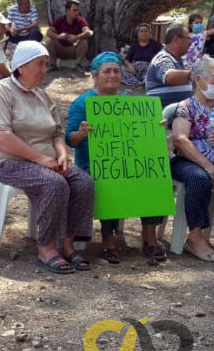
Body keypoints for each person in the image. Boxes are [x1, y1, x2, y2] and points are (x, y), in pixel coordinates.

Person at [0, 41, 94, 273]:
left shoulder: (42, 96)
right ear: (21, 66)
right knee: (54, 184)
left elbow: (56, 133)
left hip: (46, 160)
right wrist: (41, 159)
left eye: (46, 64)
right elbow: (1, 136)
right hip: (7, 161)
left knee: (83, 183)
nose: (45, 70)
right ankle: (46, 248)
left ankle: (68, 243)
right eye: (40, 64)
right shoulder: (1, 91)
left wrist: (62, 155)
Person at [65, 52, 166, 263]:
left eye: (116, 71)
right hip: (93, 163)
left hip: (128, 160)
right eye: (107, 71)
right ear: (95, 75)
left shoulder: (129, 102)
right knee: (109, 177)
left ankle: (149, 234)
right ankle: (108, 238)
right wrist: (81, 134)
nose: (112, 75)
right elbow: (69, 139)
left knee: (151, 174)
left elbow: (141, 138)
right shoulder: (82, 103)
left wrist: (154, 128)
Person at [169, 55, 214, 262]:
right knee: (199, 178)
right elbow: (179, 139)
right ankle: (194, 237)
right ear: (198, 80)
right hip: (187, 162)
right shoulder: (186, 107)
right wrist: (208, 166)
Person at [145, 25, 193, 106]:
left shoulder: (177, 60)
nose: (190, 42)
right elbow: (169, 76)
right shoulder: (163, 58)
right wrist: (199, 73)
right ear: (176, 40)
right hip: (164, 115)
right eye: (188, 38)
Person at [45, 0, 93, 71]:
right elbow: (49, 32)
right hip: (60, 48)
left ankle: (78, 64)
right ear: (67, 11)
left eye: (78, 10)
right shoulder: (60, 20)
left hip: (73, 49)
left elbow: (88, 32)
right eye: (74, 10)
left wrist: (76, 37)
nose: (77, 13)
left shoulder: (80, 20)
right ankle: (52, 64)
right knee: (49, 40)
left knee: (84, 41)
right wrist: (58, 36)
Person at [121, 23, 162, 88]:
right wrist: (130, 67)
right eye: (141, 31)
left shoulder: (156, 45)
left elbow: (161, 58)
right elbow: (127, 60)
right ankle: (138, 83)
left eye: (146, 31)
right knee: (121, 69)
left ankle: (144, 82)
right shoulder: (134, 46)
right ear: (138, 34)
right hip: (136, 70)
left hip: (149, 70)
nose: (144, 33)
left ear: (149, 33)